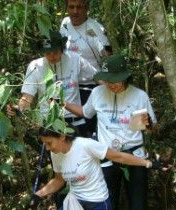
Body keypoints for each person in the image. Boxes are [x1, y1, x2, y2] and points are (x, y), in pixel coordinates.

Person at [64, 54, 159, 210]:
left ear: (125, 77)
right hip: (106, 157)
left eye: (115, 81)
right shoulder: (97, 93)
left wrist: (149, 124)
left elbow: (154, 129)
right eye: (108, 81)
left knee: (138, 204)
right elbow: (84, 112)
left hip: (134, 156)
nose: (111, 85)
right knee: (108, 204)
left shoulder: (139, 95)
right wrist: (62, 103)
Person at [32, 126, 165, 210]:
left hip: (98, 203)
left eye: (49, 143)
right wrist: (38, 195)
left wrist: (149, 163)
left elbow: (118, 156)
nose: (47, 148)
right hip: (76, 202)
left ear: (62, 136)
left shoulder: (85, 145)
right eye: (44, 144)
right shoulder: (56, 154)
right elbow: (59, 180)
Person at [6, 30, 97, 134]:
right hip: (49, 123)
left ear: (62, 49)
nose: (52, 56)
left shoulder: (75, 59)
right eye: (48, 52)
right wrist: (19, 108)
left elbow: (97, 77)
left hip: (75, 121)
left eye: (55, 52)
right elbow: (27, 97)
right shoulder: (35, 66)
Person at [60, 0, 112, 137]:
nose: (75, 11)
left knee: (86, 132)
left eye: (79, 7)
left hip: (90, 86)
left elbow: (107, 57)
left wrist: (108, 84)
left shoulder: (95, 29)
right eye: (71, 7)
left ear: (86, 7)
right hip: (69, 85)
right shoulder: (64, 24)